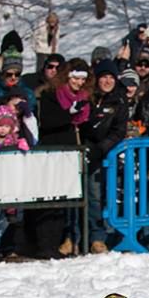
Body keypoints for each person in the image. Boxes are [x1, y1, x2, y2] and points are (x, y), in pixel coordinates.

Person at [33, 58, 92, 258]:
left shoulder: (83, 97)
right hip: (52, 149)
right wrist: (69, 113)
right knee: (50, 197)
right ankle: (44, 244)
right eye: (75, 78)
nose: (79, 82)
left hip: (71, 151)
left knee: (66, 199)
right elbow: (48, 122)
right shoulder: (51, 95)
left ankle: (62, 242)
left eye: (82, 79)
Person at [81, 59, 127, 254]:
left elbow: (118, 131)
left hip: (108, 154)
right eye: (104, 77)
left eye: (111, 77)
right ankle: (93, 235)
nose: (107, 81)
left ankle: (107, 234)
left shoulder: (119, 101)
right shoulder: (88, 98)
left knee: (107, 196)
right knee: (92, 195)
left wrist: (102, 147)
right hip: (87, 152)